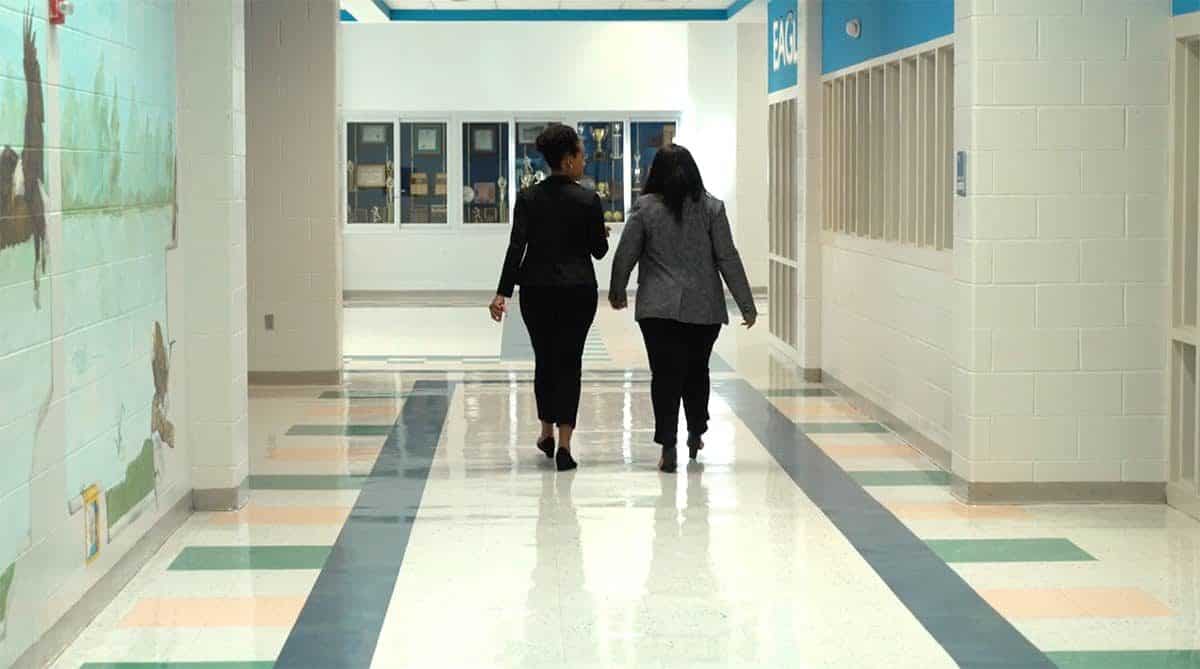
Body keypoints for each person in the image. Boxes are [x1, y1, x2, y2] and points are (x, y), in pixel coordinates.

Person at [609, 143, 756, 473]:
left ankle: (668, 445)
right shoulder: (712, 208)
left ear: (654, 173)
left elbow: (626, 252)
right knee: (696, 370)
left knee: (665, 375)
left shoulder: (645, 209)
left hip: (658, 310)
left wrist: (617, 289)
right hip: (704, 309)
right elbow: (727, 256)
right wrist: (746, 304)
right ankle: (695, 432)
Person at [490, 125, 609, 472]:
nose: (584, 160)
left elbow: (517, 248)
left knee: (545, 359)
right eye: (582, 154)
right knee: (570, 362)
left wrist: (502, 293)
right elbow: (598, 251)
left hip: (537, 291)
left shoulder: (528, 198)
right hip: (577, 291)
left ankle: (545, 432)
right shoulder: (589, 200)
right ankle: (566, 446)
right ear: (569, 159)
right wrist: (599, 232)